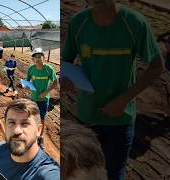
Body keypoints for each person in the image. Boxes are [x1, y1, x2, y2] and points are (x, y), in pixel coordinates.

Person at [62, 0, 164, 179]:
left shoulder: (134, 22)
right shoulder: (78, 23)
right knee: (84, 172)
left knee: (115, 171)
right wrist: (66, 80)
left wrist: (124, 99)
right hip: (87, 115)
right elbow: (66, 63)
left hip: (120, 118)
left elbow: (157, 66)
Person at [0, 98, 60, 180]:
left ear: (38, 130)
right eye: (11, 123)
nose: (16, 131)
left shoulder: (46, 174)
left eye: (25, 123)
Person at [25, 47, 58, 148]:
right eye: (36, 57)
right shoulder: (31, 69)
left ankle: (40, 137)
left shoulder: (49, 69)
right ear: (33, 59)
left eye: (40, 56)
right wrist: (27, 85)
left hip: (44, 99)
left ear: (43, 57)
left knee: (42, 119)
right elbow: (27, 80)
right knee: (33, 117)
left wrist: (46, 92)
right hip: (33, 98)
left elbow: (55, 82)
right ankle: (33, 134)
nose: (38, 59)